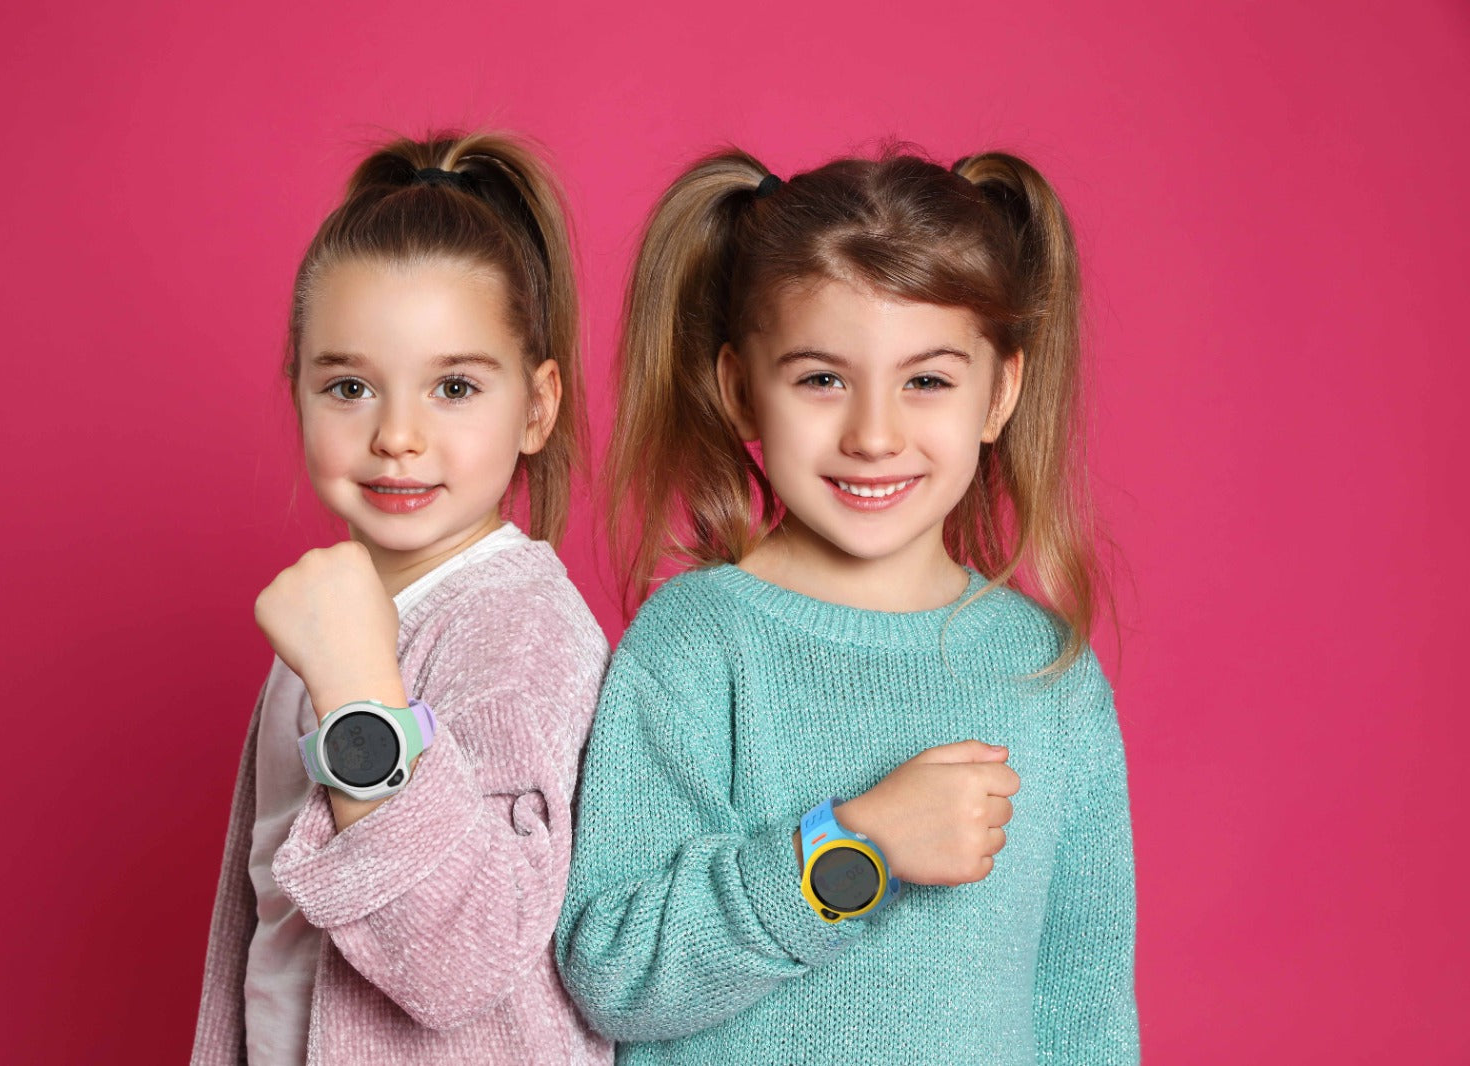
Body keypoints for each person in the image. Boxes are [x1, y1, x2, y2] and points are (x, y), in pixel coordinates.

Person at [555, 147, 1138, 1064]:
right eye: (822, 379)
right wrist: (852, 848)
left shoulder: (1050, 676)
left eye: (927, 380)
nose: (873, 435)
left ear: (1000, 394)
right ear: (742, 391)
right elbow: (614, 970)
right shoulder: (697, 643)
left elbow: (1086, 1014)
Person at [191, 131, 612, 1066]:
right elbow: (267, 943)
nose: (397, 437)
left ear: (537, 407)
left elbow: (462, 961)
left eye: (454, 387)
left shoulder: (521, 630)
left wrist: (358, 695)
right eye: (349, 386)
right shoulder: (331, 620)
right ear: (297, 392)